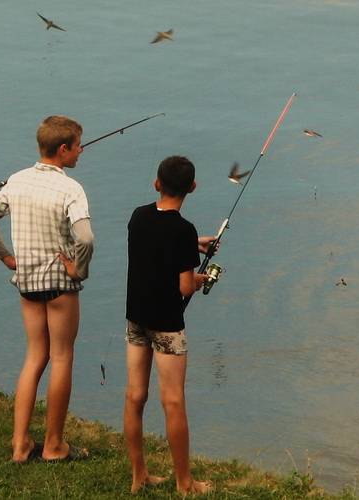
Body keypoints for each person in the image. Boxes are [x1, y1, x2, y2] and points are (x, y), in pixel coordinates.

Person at [0, 115, 94, 463]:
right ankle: (54, 445)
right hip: (59, 285)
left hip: (27, 283)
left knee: (34, 357)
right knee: (61, 357)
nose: (81, 151)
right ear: (63, 149)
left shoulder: (17, 180)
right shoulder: (71, 189)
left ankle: (20, 443)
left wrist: (5, 256)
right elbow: (85, 237)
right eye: (78, 146)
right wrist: (78, 269)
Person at [124, 155, 214, 495]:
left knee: (135, 395)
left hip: (136, 319)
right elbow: (185, 287)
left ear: (157, 183)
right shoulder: (183, 230)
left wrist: (192, 246)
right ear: (193, 187)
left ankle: (139, 475)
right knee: (173, 401)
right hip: (167, 325)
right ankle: (184, 483)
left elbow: (155, 244)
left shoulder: (138, 216)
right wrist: (200, 277)